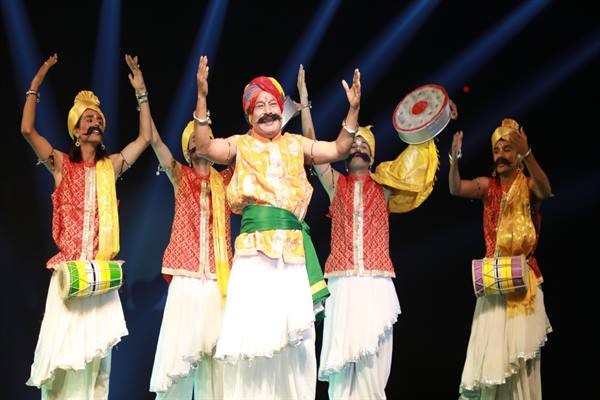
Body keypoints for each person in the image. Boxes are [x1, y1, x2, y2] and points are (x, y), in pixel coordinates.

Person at [192, 55, 360, 399]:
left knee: (295, 343)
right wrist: (202, 97)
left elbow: (339, 148)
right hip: (254, 256)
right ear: (249, 114)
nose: (268, 111)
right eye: (260, 106)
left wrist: (353, 109)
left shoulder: (297, 144)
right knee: (253, 336)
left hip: (293, 257)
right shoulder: (240, 145)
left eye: (273, 104)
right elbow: (206, 147)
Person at [298, 65, 454, 399]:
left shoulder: (383, 187)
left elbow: (414, 160)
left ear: (371, 155)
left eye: (364, 145)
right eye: (353, 144)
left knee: (373, 368)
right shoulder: (336, 184)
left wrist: (436, 120)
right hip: (341, 282)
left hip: (376, 282)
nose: (358, 147)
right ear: (345, 154)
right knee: (343, 369)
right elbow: (312, 146)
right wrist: (306, 103)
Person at [22, 53, 152, 399]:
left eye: (98, 119)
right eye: (88, 119)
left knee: (97, 366)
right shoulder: (62, 166)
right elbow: (27, 130)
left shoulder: (112, 167)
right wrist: (36, 84)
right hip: (69, 277)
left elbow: (145, 138)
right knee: (62, 363)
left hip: (100, 278)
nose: (95, 123)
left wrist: (141, 93)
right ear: (77, 131)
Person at [449, 119, 553, 399]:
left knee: (520, 362)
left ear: (518, 154)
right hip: (494, 284)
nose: (501, 155)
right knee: (491, 360)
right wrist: (454, 160)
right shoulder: (487, 187)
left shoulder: (529, 185)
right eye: (496, 150)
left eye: (507, 149)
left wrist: (528, 153)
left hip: (524, 284)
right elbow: (456, 188)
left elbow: (545, 191)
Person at [148, 117, 233, 399]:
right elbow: (155, 141)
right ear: (187, 148)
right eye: (195, 137)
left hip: (219, 281)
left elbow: (251, 151)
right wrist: (142, 98)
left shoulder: (226, 180)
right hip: (186, 278)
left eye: (206, 136)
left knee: (217, 363)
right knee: (178, 362)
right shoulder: (180, 176)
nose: (201, 139)